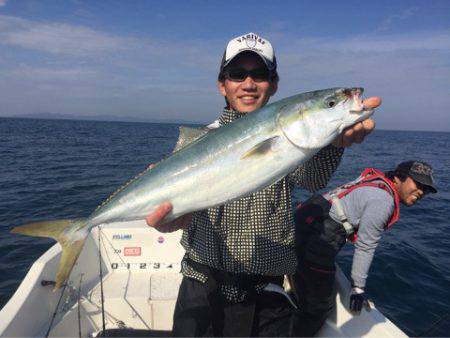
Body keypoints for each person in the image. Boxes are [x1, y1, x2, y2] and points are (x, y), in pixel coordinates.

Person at [145, 32, 378, 337]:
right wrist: (169, 221)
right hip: (200, 285)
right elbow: (175, 212)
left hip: (266, 296)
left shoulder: (293, 137)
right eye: (237, 74)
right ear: (222, 84)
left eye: (260, 74)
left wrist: (334, 143)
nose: (248, 83)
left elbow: (312, 179)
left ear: (274, 84)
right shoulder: (194, 143)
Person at [291, 160, 438, 336]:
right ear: (399, 177)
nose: (422, 191)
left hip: (303, 227)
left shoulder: (377, 182)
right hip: (318, 241)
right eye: (418, 183)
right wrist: (358, 288)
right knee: (318, 308)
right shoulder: (383, 200)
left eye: (426, 189)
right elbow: (366, 246)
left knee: (302, 292)